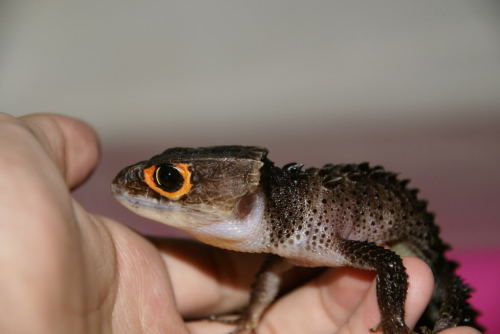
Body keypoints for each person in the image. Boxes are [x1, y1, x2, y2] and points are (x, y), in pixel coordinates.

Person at [0, 113, 480, 334]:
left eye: (169, 180)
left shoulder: (315, 232)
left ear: (242, 192)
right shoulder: (288, 239)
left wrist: (393, 323)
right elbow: (273, 273)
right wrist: (250, 320)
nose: (147, 188)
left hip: (414, 249)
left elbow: (392, 265)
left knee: (444, 300)